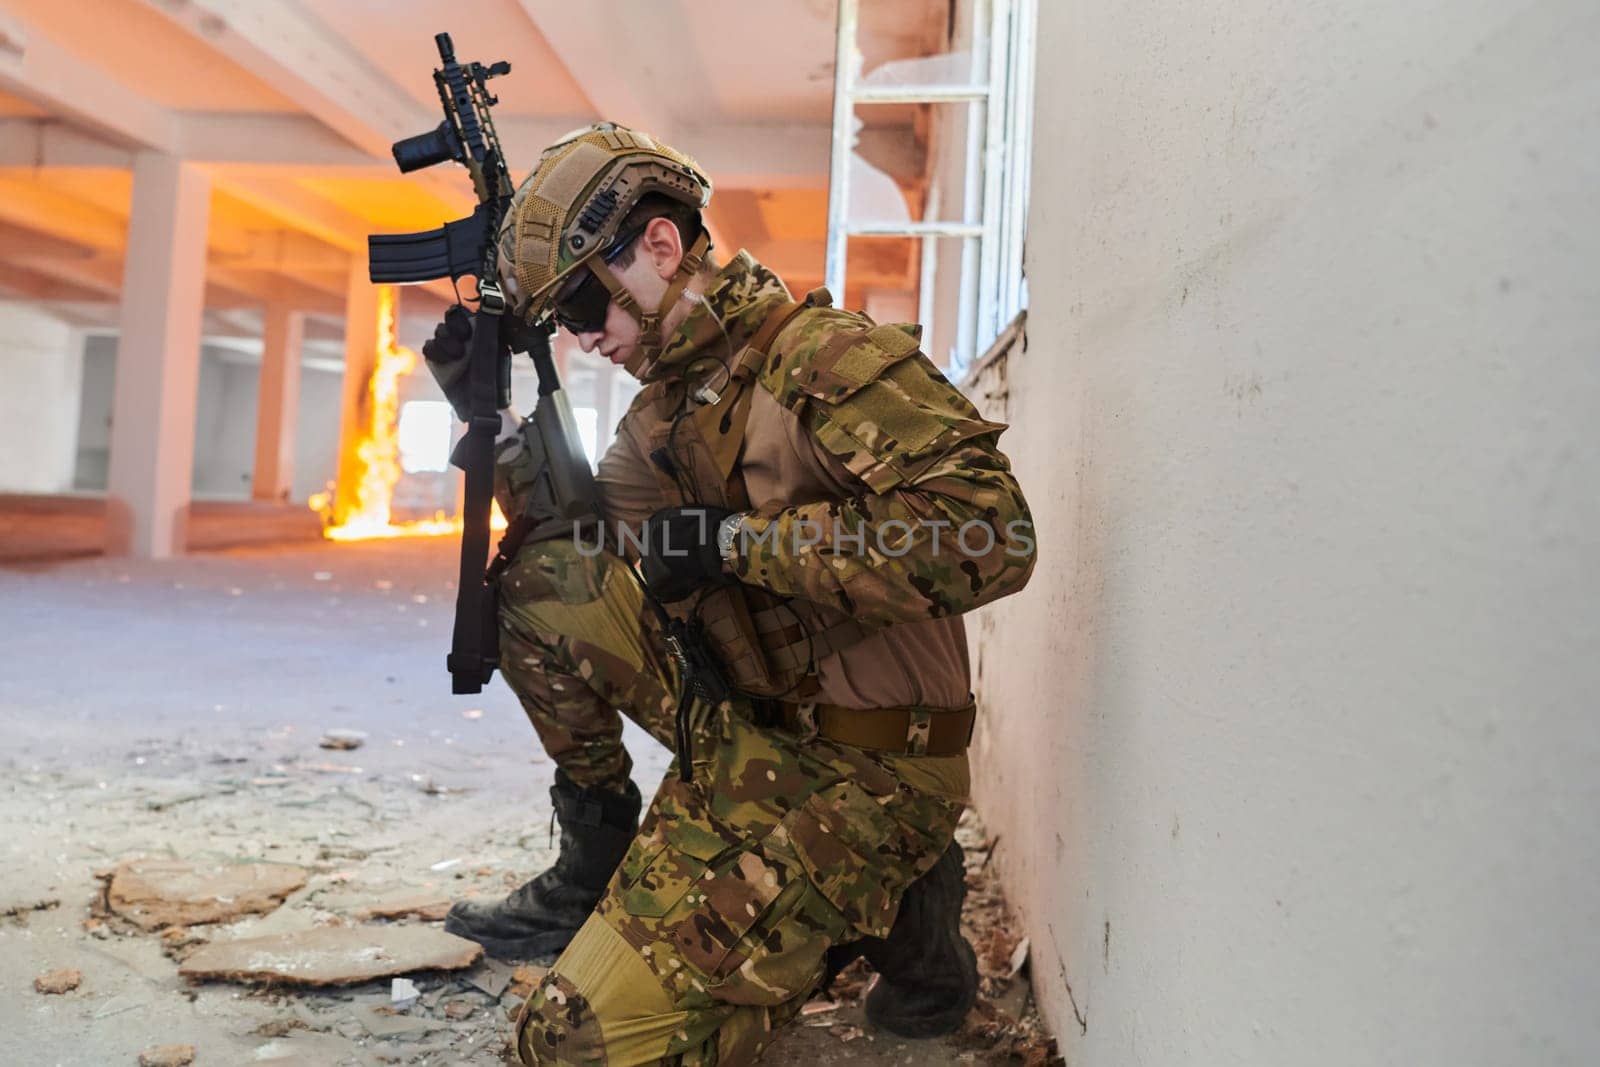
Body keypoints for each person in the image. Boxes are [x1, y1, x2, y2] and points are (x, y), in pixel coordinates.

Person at [421, 122, 1036, 1065]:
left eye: (585, 302)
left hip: (870, 766)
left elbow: (991, 533)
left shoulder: (823, 361)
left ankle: (883, 902)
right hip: (746, 729)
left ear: (661, 248)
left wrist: (740, 542)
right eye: (563, 322)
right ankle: (609, 859)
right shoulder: (661, 413)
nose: (584, 339)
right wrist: (489, 417)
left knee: (569, 1044)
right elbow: (578, 539)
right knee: (542, 582)